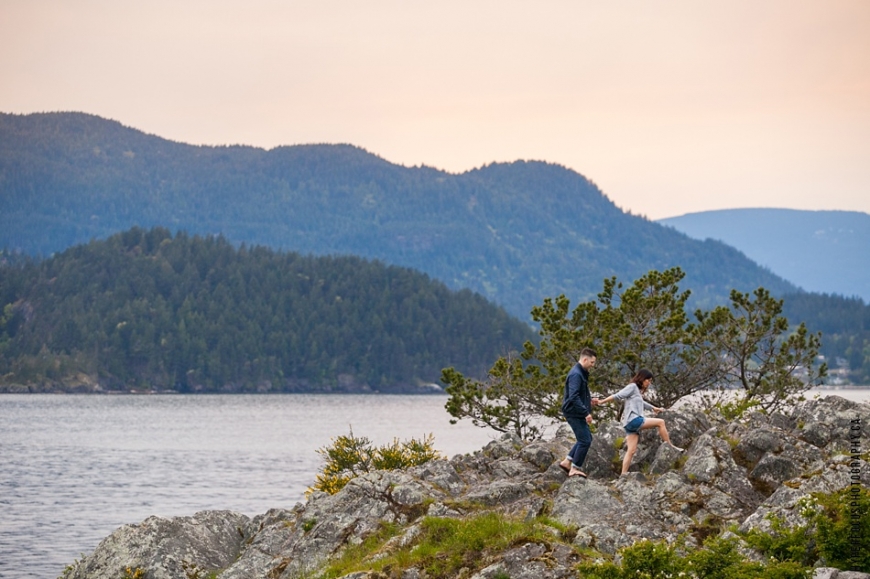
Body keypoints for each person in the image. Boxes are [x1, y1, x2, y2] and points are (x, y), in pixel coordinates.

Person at [593, 368, 684, 475]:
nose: (649, 383)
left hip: (629, 424)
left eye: (650, 381)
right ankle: (670, 446)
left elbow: (642, 403)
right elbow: (617, 395)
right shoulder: (632, 387)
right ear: (642, 378)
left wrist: (654, 408)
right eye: (648, 380)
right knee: (661, 422)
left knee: (631, 451)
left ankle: (623, 475)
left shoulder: (636, 391)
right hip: (634, 420)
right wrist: (601, 401)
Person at [559, 347, 597, 478]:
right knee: (585, 440)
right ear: (585, 359)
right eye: (592, 362)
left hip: (576, 411)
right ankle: (575, 468)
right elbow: (573, 396)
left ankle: (567, 461)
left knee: (586, 438)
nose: (593, 365)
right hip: (573, 412)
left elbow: (579, 394)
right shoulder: (576, 374)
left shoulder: (581, 372)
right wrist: (586, 412)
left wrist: (589, 400)